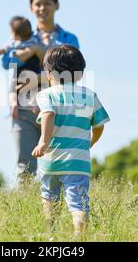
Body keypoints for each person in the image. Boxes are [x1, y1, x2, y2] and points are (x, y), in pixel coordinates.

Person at [32, 45, 110, 236]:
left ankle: (51, 236)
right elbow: (99, 124)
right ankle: (79, 237)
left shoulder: (46, 94)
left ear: (48, 73)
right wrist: (91, 142)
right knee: (78, 203)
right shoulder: (88, 96)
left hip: (51, 159)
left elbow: (49, 114)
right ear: (81, 74)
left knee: (50, 198)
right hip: (78, 161)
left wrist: (43, 142)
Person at [10, 0, 80, 183]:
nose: (42, 8)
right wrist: (31, 50)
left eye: (47, 3)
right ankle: (26, 208)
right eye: (38, 4)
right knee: (25, 165)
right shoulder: (23, 37)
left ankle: (55, 206)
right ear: (31, 7)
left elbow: (72, 71)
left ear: (57, 5)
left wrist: (34, 74)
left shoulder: (69, 39)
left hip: (60, 107)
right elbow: (8, 62)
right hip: (25, 106)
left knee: (58, 161)